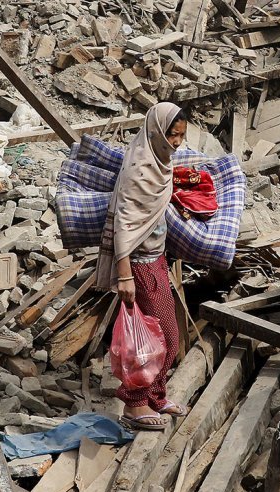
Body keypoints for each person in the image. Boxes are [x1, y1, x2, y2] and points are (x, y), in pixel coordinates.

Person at [95, 102, 188, 431]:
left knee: (163, 336)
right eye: (171, 135)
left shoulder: (159, 161)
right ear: (156, 132)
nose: (176, 143)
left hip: (156, 260)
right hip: (139, 266)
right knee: (156, 339)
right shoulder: (140, 168)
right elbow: (125, 223)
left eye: (180, 136)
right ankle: (134, 406)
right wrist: (124, 276)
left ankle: (156, 396)